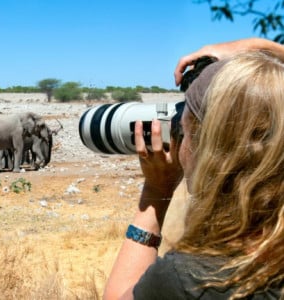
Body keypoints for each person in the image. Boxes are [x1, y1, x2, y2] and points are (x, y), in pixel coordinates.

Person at [103, 40, 284, 299]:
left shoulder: (194, 277)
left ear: (205, 151)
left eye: (184, 131)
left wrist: (155, 193)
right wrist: (260, 49)